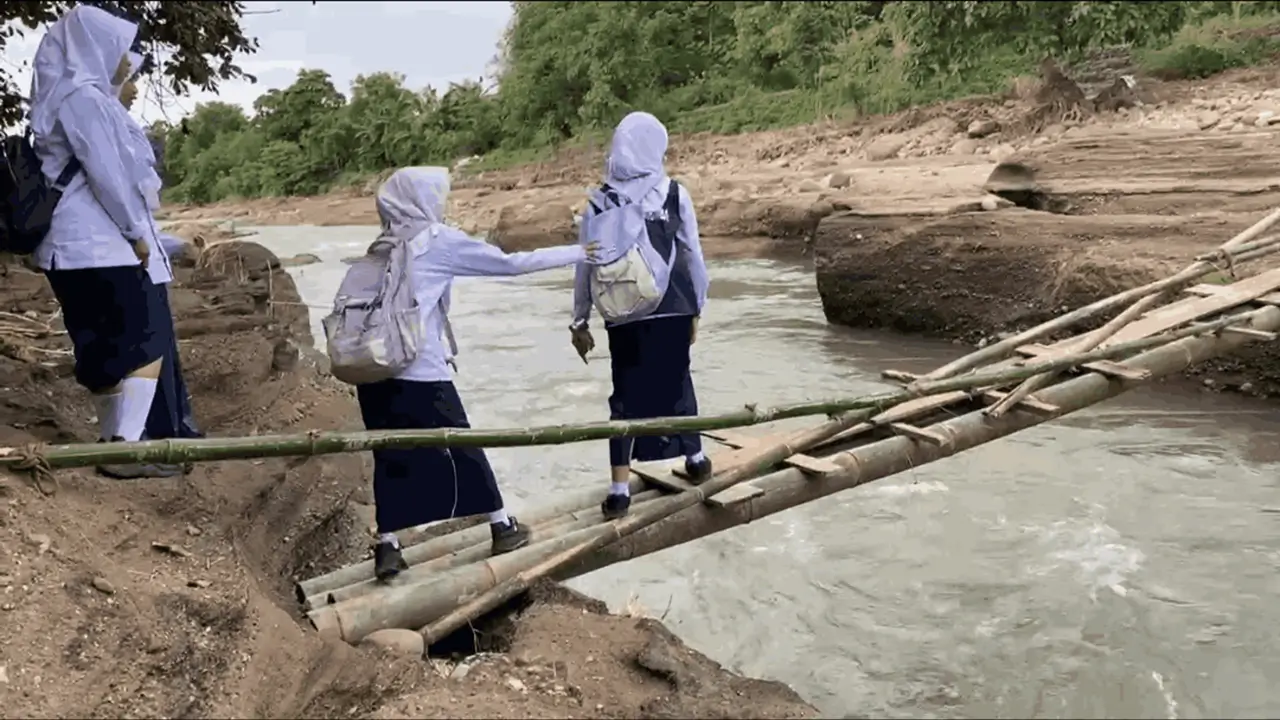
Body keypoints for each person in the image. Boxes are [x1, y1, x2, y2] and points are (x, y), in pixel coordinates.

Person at [354, 167, 596, 582]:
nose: (442, 203)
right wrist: (579, 253)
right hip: (419, 371)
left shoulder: (381, 245)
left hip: (372, 372)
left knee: (391, 456)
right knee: (464, 445)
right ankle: (502, 527)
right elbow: (511, 264)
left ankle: (389, 549)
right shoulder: (436, 240)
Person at [29, 6, 180, 479]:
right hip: (97, 243)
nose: (124, 60)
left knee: (97, 345)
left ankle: (111, 443)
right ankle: (126, 450)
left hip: (67, 248)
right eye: (117, 46)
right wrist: (137, 235)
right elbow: (109, 177)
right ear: (96, 46)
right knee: (146, 340)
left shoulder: (56, 98)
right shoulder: (85, 99)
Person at [569, 111, 711, 521]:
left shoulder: (599, 200)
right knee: (679, 379)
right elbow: (692, 254)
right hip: (673, 305)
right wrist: (698, 306)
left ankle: (619, 491)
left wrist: (580, 319)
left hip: (623, 311)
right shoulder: (674, 194)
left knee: (625, 395)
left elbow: (586, 265)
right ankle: (696, 459)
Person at [114, 51, 204, 444]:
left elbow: (138, 218)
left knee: (159, 353)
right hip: (133, 264)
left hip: (145, 261)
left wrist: (175, 245)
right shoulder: (102, 125)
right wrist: (176, 246)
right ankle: (153, 438)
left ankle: (173, 432)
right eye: (130, 79)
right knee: (149, 352)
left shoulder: (112, 124)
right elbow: (123, 214)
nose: (135, 90)